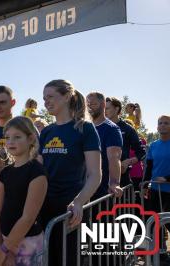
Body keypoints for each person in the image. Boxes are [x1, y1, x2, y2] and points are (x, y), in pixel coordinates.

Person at [39, 80, 101, 266]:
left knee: (70, 259)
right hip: (44, 206)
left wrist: (79, 202)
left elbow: (95, 174)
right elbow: (40, 171)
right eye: (44, 98)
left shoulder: (84, 128)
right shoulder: (46, 132)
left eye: (50, 97)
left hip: (71, 210)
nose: (46, 102)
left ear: (67, 96)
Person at [0, 116, 47, 266]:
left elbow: (28, 218)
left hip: (28, 244)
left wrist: (4, 248)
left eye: (17, 137)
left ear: (30, 139)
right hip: (4, 241)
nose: (10, 142)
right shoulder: (5, 172)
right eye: (7, 137)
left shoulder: (37, 172)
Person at [86, 92, 123, 199]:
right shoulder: (83, 127)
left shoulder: (111, 129)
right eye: (87, 104)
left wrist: (114, 183)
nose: (89, 108)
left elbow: (114, 158)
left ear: (103, 105)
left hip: (101, 191)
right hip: (82, 189)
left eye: (93, 104)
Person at [143, 115, 170, 262]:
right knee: (155, 222)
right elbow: (149, 168)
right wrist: (145, 185)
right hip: (156, 190)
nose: (163, 125)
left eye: (166, 123)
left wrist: (167, 178)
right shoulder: (153, 146)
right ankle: (161, 252)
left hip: (169, 189)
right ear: (157, 127)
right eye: (160, 123)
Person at [105, 97, 146, 187]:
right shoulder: (98, 127)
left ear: (116, 109)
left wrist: (128, 161)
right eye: (103, 108)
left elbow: (141, 152)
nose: (104, 111)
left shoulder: (127, 129)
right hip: (101, 180)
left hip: (121, 180)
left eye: (107, 108)